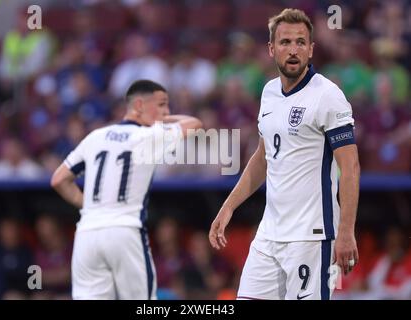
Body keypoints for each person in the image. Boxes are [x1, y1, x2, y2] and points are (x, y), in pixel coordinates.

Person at [209, 8, 360, 300]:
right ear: (271, 48)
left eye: (301, 42)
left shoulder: (327, 95)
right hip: (269, 235)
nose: (293, 50)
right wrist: (229, 206)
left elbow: (350, 168)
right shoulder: (268, 93)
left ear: (311, 49)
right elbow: (263, 156)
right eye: (285, 42)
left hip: (311, 238)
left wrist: (345, 231)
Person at [51, 79, 202, 300]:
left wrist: (90, 205)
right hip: (125, 231)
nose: (166, 111)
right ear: (139, 105)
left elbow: (58, 179)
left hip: (87, 233)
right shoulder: (149, 136)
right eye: (161, 105)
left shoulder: (95, 136)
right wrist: (164, 120)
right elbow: (195, 123)